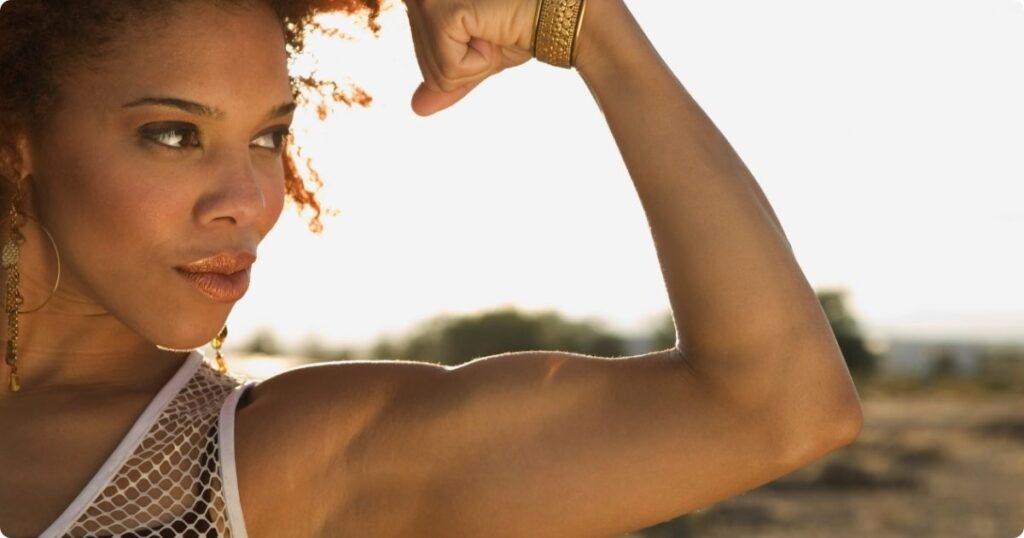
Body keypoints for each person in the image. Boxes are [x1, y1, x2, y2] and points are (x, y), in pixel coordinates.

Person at [0, 0, 864, 536]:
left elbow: (772, 409)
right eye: (176, 134)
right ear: (18, 143)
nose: (246, 199)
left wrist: (587, 20)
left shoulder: (277, 465)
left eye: (268, 137)